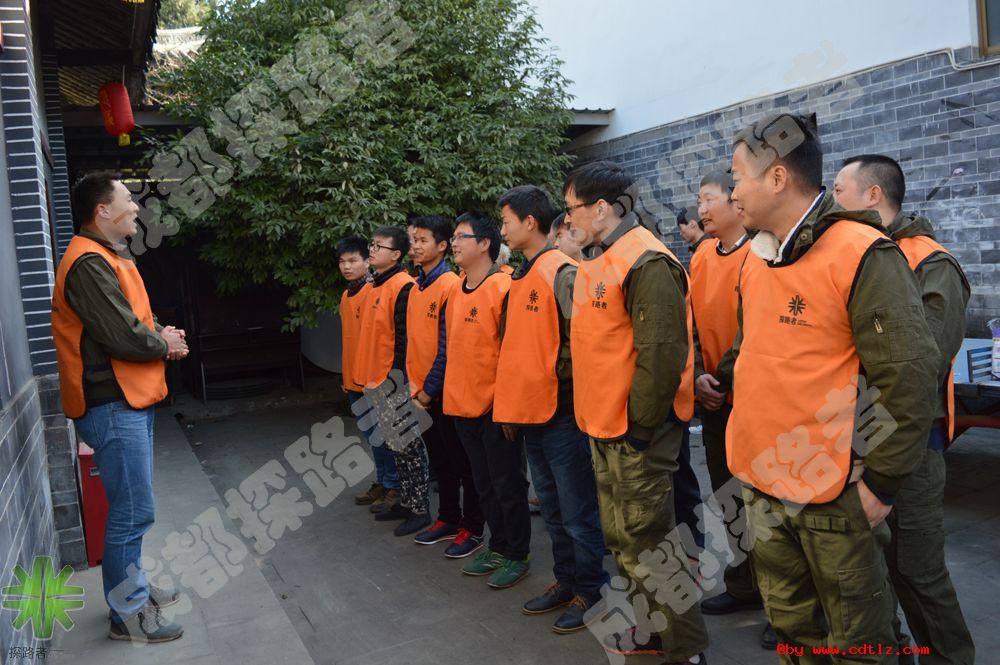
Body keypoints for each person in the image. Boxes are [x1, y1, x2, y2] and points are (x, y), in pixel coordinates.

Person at [727, 113, 939, 661]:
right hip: (763, 480)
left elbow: (909, 379)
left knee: (859, 643)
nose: (731, 194)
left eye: (737, 178)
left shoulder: (862, 252)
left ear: (777, 178)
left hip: (834, 489)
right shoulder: (757, 257)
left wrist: (881, 486)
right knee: (791, 629)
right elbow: (755, 354)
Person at [564, 161, 708, 665]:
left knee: (651, 542)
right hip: (605, 426)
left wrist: (641, 432)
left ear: (601, 208)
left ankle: (686, 649)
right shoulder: (600, 257)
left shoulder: (646, 261)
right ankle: (651, 628)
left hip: (636, 433)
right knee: (622, 540)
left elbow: (662, 357)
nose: (568, 219)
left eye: (572, 209)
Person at [834, 154, 974, 664]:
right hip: (854, 435)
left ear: (873, 196)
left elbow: (921, 368)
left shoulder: (930, 263)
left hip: (909, 444)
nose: (831, 200)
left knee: (917, 570)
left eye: (839, 190)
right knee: (872, 571)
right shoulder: (856, 254)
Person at [52, 172, 187, 643]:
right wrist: (164, 343)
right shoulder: (88, 263)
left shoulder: (105, 255)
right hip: (112, 404)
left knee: (132, 507)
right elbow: (122, 336)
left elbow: (128, 319)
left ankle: (135, 591)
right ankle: (127, 613)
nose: (135, 207)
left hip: (125, 399)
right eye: (128, 199)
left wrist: (160, 334)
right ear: (102, 210)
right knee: (132, 511)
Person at [495, 185, 609, 633]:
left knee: (577, 510)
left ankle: (591, 590)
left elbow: (581, 342)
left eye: (506, 221)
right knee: (554, 508)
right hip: (531, 413)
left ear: (529, 222)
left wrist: (552, 380)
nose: (502, 229)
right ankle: (567, 580)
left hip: (560, 412)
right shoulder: (522, 275)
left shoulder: (562, 271)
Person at [688, 171, 768, 633]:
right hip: (714, 398)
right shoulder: (701, 255)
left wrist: (716, 378)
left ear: (736, 203)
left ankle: (784, 601)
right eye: (699, 200)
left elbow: (755, 327)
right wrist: (699, 374)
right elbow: (691, 323)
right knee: (729, 497)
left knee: (767, 505)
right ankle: (743, 584)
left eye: (709, 199)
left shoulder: (759, 255)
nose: (701, 209)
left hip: (750, 398)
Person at [443, 211, 531, 589]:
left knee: (507, 484)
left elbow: (515, 355)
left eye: (461, 237)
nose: (454, 243)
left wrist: (509, 407)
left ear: (484, 244)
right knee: (483, 484)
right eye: (453, 237)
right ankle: (498, 546)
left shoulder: (505, 286)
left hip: (496, 408)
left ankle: (518, 553)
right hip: (462, 405)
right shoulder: (456, 288)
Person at [407, 215, 486, 558]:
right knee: (441, 462)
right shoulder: (417, 286)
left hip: (441, 392)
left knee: (463, 464)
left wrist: (429, 390)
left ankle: (472, 526)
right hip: (420, 393)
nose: (415, 246)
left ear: (441, 246)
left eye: (423, 240)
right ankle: (448, 518)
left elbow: (447, 346)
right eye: (413, 240)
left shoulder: (450, 285)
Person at [354, 226, 431, 537]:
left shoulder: (404, 286)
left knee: (410, 448)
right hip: (378, 380)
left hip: (395, 381)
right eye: (371, 244)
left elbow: (404, 340)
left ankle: (420, 509)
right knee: (395, 446)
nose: (372, 250)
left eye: (379, 246)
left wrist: (396, 381)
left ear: (397, 254)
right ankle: (405, 502)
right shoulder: (376, 284)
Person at [336, 237, 384, 508]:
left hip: (372, 380)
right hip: (353, 379)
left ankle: (391, 485)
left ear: (368, 262)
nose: (347, 266)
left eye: (353, 260)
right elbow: (349, 340)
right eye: (342, 261)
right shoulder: (346, 296)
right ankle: (383, 482)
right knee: (371, 436)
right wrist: (346, 376)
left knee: (382, 436)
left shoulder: (374, 292)